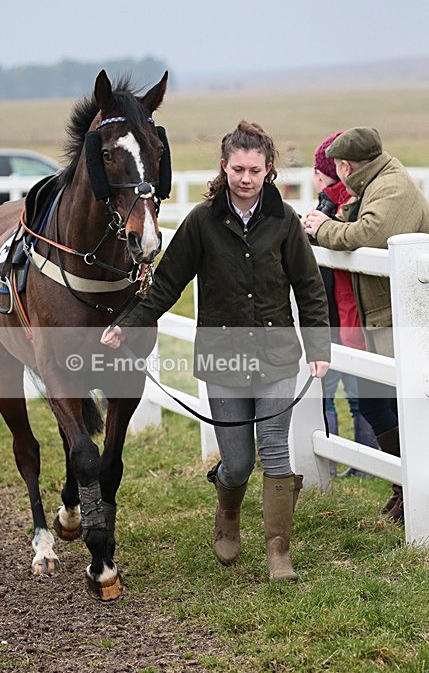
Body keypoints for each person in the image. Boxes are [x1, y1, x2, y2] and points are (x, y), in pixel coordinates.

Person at [102, 121, 330, 582]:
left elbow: (309, 287)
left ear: (268, 171)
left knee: (275, 452)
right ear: (224, 167)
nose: (246, 178)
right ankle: (228, 511)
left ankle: (278, 554)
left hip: (276, 355)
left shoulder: (284, 221)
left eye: (255, 170)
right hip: (223, 358)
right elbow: (166, 284)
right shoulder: (201, 223)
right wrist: (127, 325)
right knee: (239, 460)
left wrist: (318, 346)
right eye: (238, 169)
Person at [303, 126, 429, 521]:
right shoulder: (375, 183)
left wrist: (322, 229)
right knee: (377, 403)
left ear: (345, 164)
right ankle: (404, 486)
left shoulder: (391, 187)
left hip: (397, 318)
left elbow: (371, 233)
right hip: (381, 316)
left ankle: (414, 491)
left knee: (399, 404)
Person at [311, 131, 378, 477]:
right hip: (348, 316)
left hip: (336, 315)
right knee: (356, 392)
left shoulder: (334, 205)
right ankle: (364, 461)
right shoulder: (352, 203)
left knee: (332, 391)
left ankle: (333, 460)